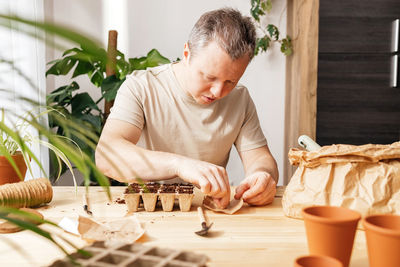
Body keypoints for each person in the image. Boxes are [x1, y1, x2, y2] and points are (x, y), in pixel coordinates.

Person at [95, 7, 278, 209]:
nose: (218, 92)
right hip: (149, 211)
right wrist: (179, 165)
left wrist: (263, 176)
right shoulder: (141, 87)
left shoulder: (239, 99)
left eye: (231, 81)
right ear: (186, 54)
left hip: (208, 212)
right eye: (209, 77)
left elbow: (260, 158)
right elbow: (107, 155)